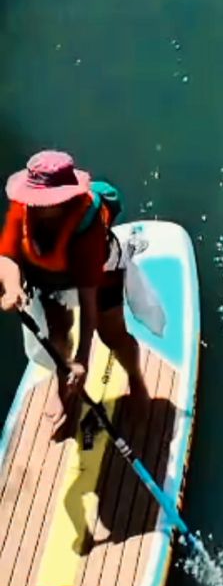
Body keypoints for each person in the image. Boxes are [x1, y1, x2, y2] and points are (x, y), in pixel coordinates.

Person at [0, 150, 148, 441]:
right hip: (50, 276)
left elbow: (88, 302)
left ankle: (136, 381)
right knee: (57, 338)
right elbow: (7, 254)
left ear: (64, 199)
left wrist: (83, 360)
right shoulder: (24, 208)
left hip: (98, 275)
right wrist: (14, 286)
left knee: (112, 334)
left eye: (45, 202)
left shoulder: (86, 229)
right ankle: (64, 396)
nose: (36, 206)